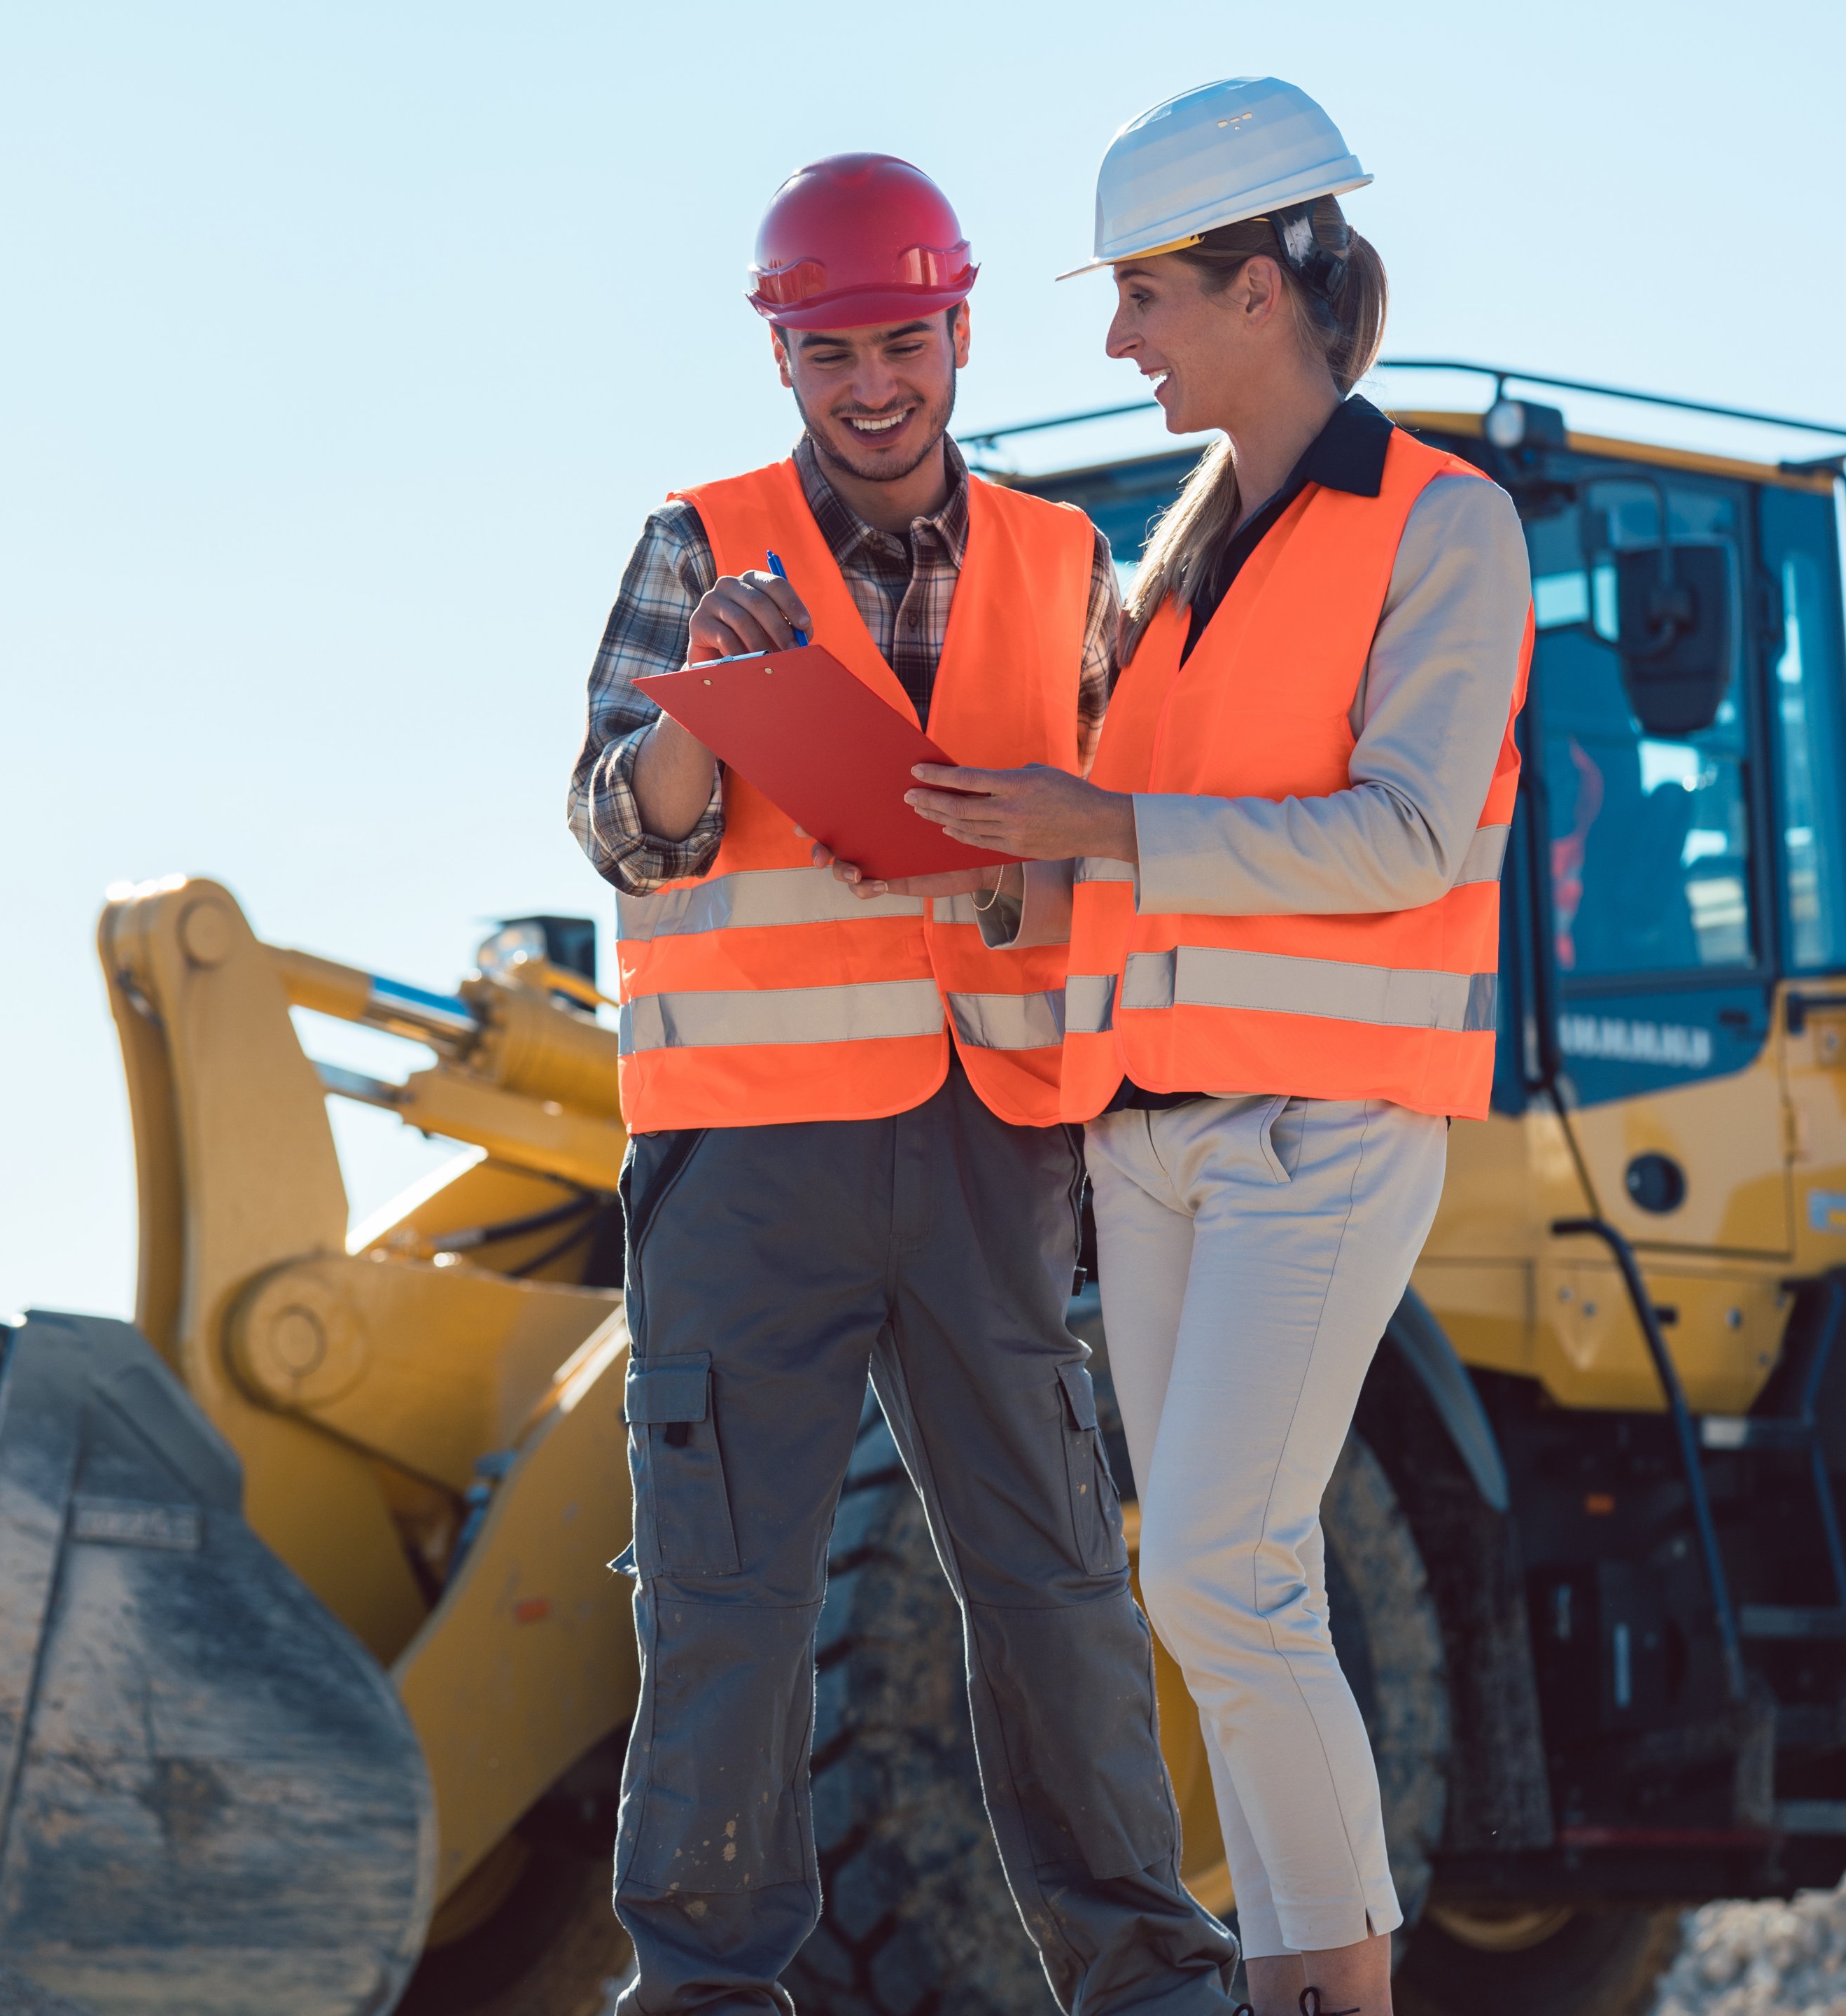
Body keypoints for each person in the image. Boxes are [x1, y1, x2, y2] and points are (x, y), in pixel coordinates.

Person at [828, 78, 1532, 2016]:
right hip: (1148, 1143)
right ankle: (1302, 1975)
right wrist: (942, 860)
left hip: (1322, 1133)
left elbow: (1402, 834)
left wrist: (1097, 825)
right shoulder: (1169, 564)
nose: (1119, 340)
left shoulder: (1443, 530)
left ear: (1260, 284)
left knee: (1226, 1558)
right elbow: (1115, 878)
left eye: (1145, 296)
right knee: (1200, 1576)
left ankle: (1329, 1987)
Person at [568, 152, 1238, 2016]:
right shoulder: (700, 546)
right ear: (785, 359)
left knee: (1052, 1588)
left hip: (989, 1150)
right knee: (728, 1597)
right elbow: (622, 833)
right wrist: (712, 722)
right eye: (834, 350)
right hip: (748, 1157)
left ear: (958, 337)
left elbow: (1113, 842)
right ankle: (704, 1992)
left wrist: (1002, 856)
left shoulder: (1061, 564)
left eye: (907, 343)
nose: (876, 384)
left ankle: (1147, 1977)